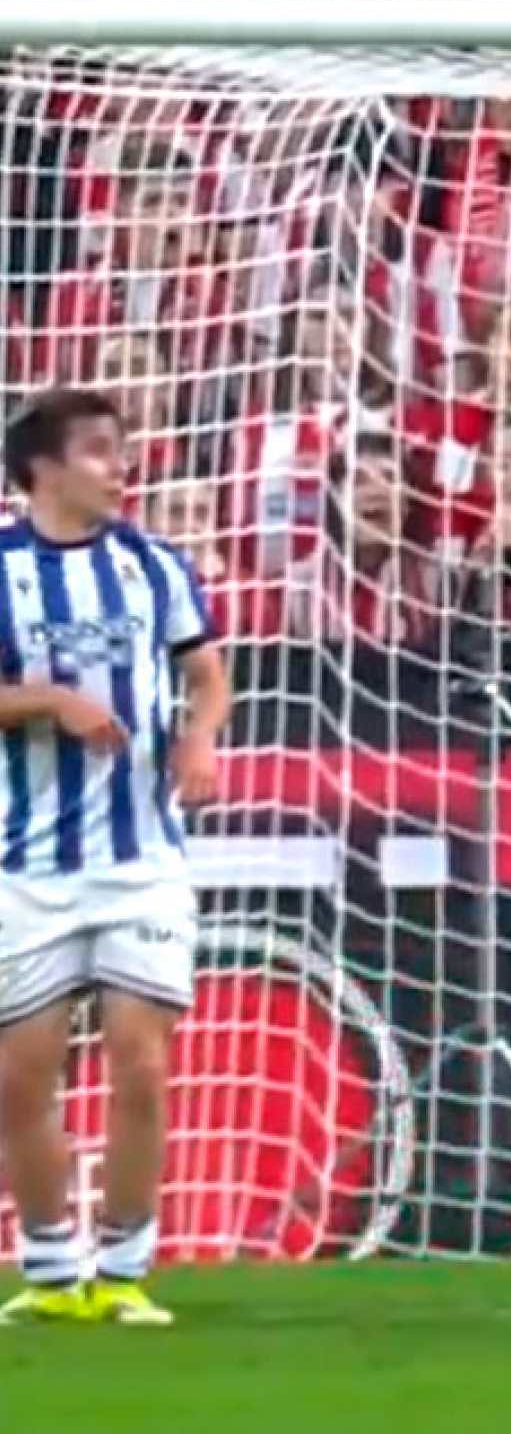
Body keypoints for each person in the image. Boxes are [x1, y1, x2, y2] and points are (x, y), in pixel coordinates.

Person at [0, 391, 224, 1328]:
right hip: (27, 862)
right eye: (98, 451)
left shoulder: (149, 565)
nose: (120, 466)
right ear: (42, 469)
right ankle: (52, 1275)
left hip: (142, 858)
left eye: (122, 450)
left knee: (141, 1063)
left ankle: (126, 1270)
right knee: (20, 1076)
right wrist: (49, 700)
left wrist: (201, 743)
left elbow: (206, 673)